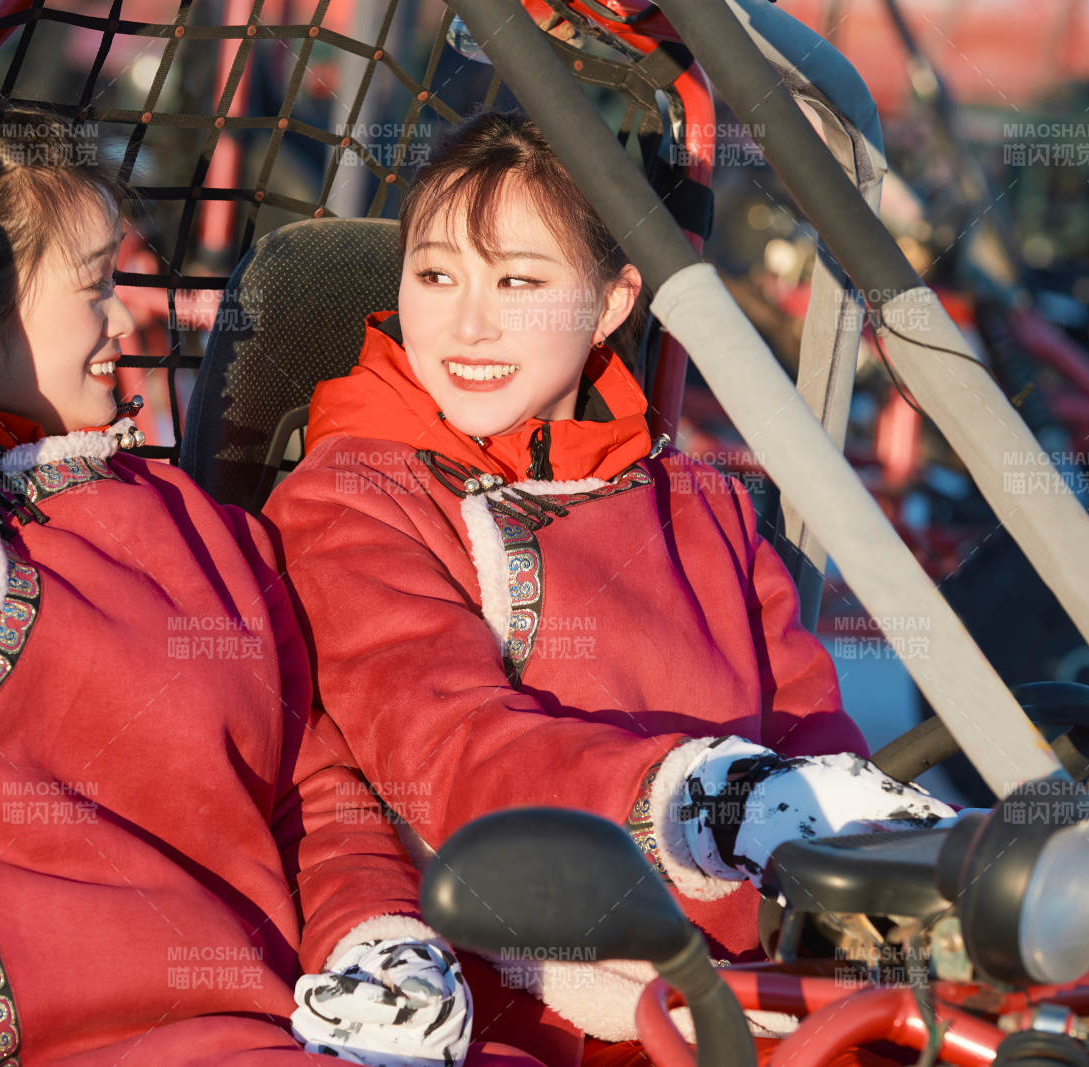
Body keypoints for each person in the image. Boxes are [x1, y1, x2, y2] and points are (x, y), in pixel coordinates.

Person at [0, 5, 535, 1064]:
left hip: (289, 1034)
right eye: (96, 287)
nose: (123, 321)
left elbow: (312, 782)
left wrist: (377, 934)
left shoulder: (204, 531)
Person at [262, 111, 953, 1062]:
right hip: (542, 997)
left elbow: (805, 724)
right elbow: (447, 748)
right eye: (436, 275)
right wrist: (706, 798)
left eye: (519, 281)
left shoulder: (697, 498)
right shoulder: (355, 498)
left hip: (766, 988)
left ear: (611, 302)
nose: (467, 321)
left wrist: (860, 858)